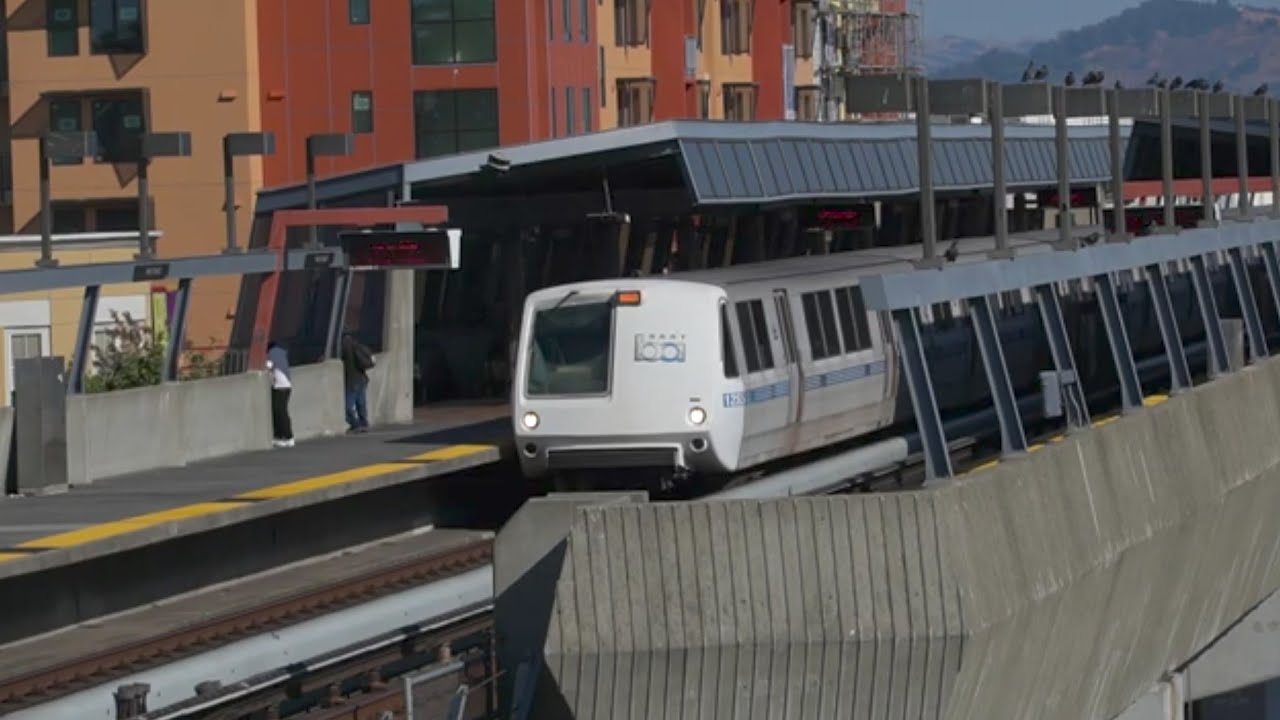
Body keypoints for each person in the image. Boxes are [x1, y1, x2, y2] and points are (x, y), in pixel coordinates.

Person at [340, 333, 375, 433]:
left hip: (352, 381)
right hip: (362, 379)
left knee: (348, 406)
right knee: (361, 403)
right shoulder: (358, 346)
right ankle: (363, 423)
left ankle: (355, 424)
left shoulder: (346, 347)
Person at [265, 341, 295, 448]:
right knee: (280, 412)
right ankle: (283, 437)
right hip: (285, 386)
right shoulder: (281, 354)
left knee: (280, 412)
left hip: (280, 387)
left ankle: (287, 436)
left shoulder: (273, 353)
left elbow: (268, 366)